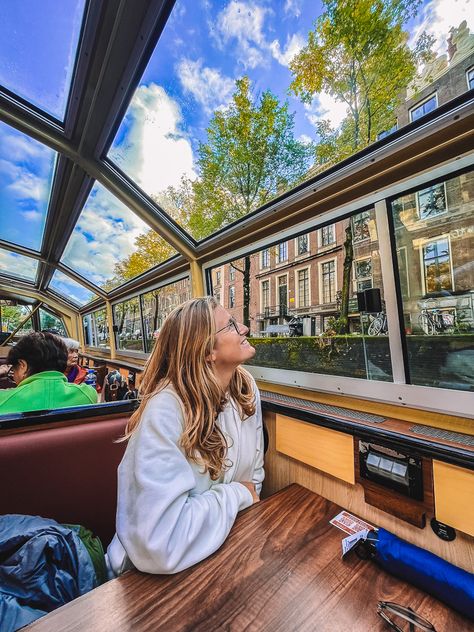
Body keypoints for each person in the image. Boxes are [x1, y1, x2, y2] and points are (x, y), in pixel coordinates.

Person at [107, 296, 264, 576]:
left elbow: (255, 475)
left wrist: (241, 500)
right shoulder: (165, 410)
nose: (244, 328)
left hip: (223, 549)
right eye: (230, 325)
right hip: (143, 579)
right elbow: (160, 544)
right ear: (207, 351)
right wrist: (237, 495)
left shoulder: (245, 387)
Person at [0, 332, 98, 414]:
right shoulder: (88, 394)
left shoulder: (3, 400)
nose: (13, 375)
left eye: (13, 370)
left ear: (22, 365)